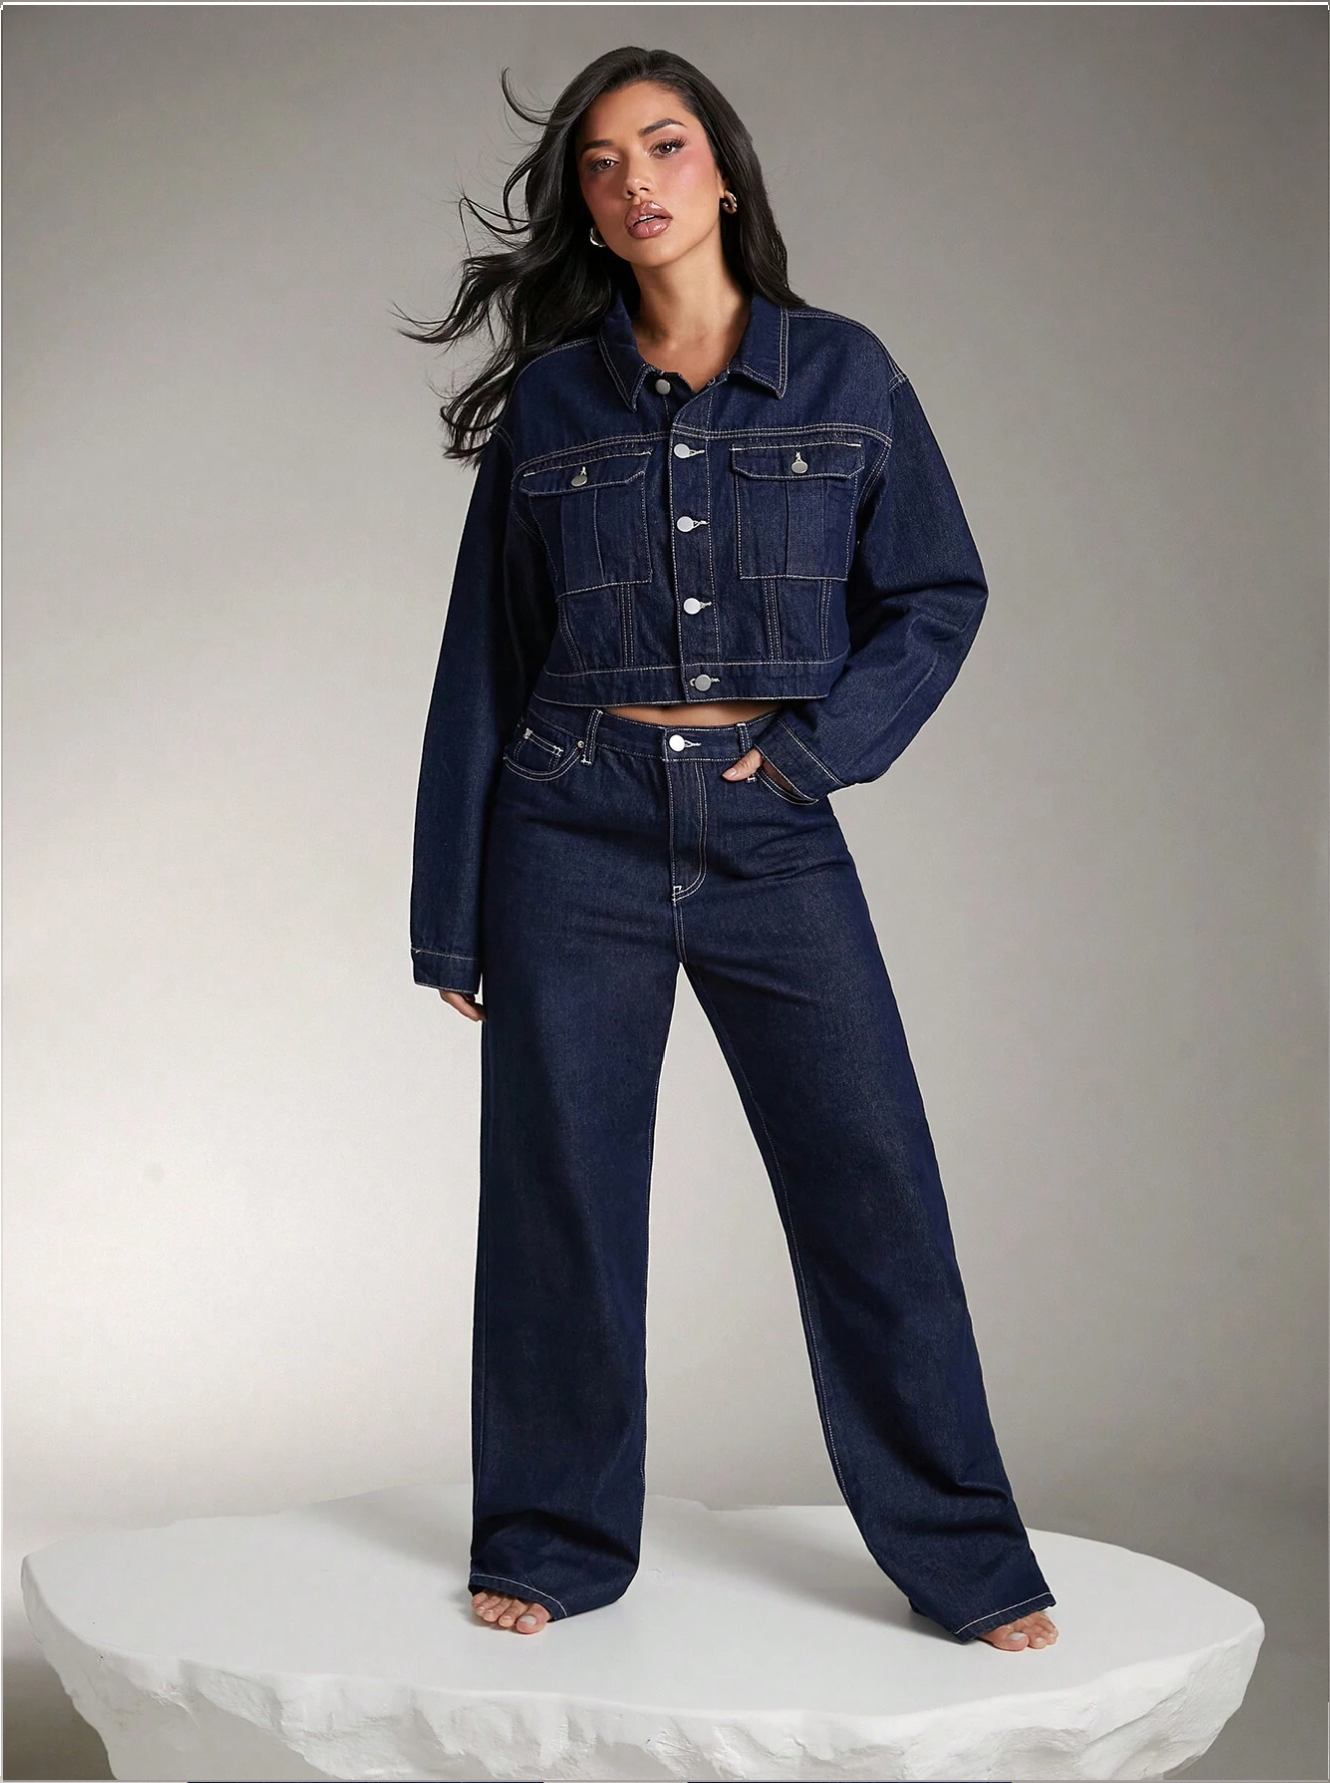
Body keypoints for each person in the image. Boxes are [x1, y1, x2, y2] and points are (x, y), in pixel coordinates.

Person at [401, 45, 1059, 1653]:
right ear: (584, 205)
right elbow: (484, 658)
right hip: (571, 825)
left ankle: (964, 1557)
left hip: (770, 829)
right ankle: (550, 1536)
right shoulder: (554, 403)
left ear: (722, 170)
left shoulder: (842, 372)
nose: (634, 180)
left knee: (871, 1190)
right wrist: (450, 912)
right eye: (602, 162)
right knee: (559, 1200)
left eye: (664, 145)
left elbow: (937, 592)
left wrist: (816, 753)